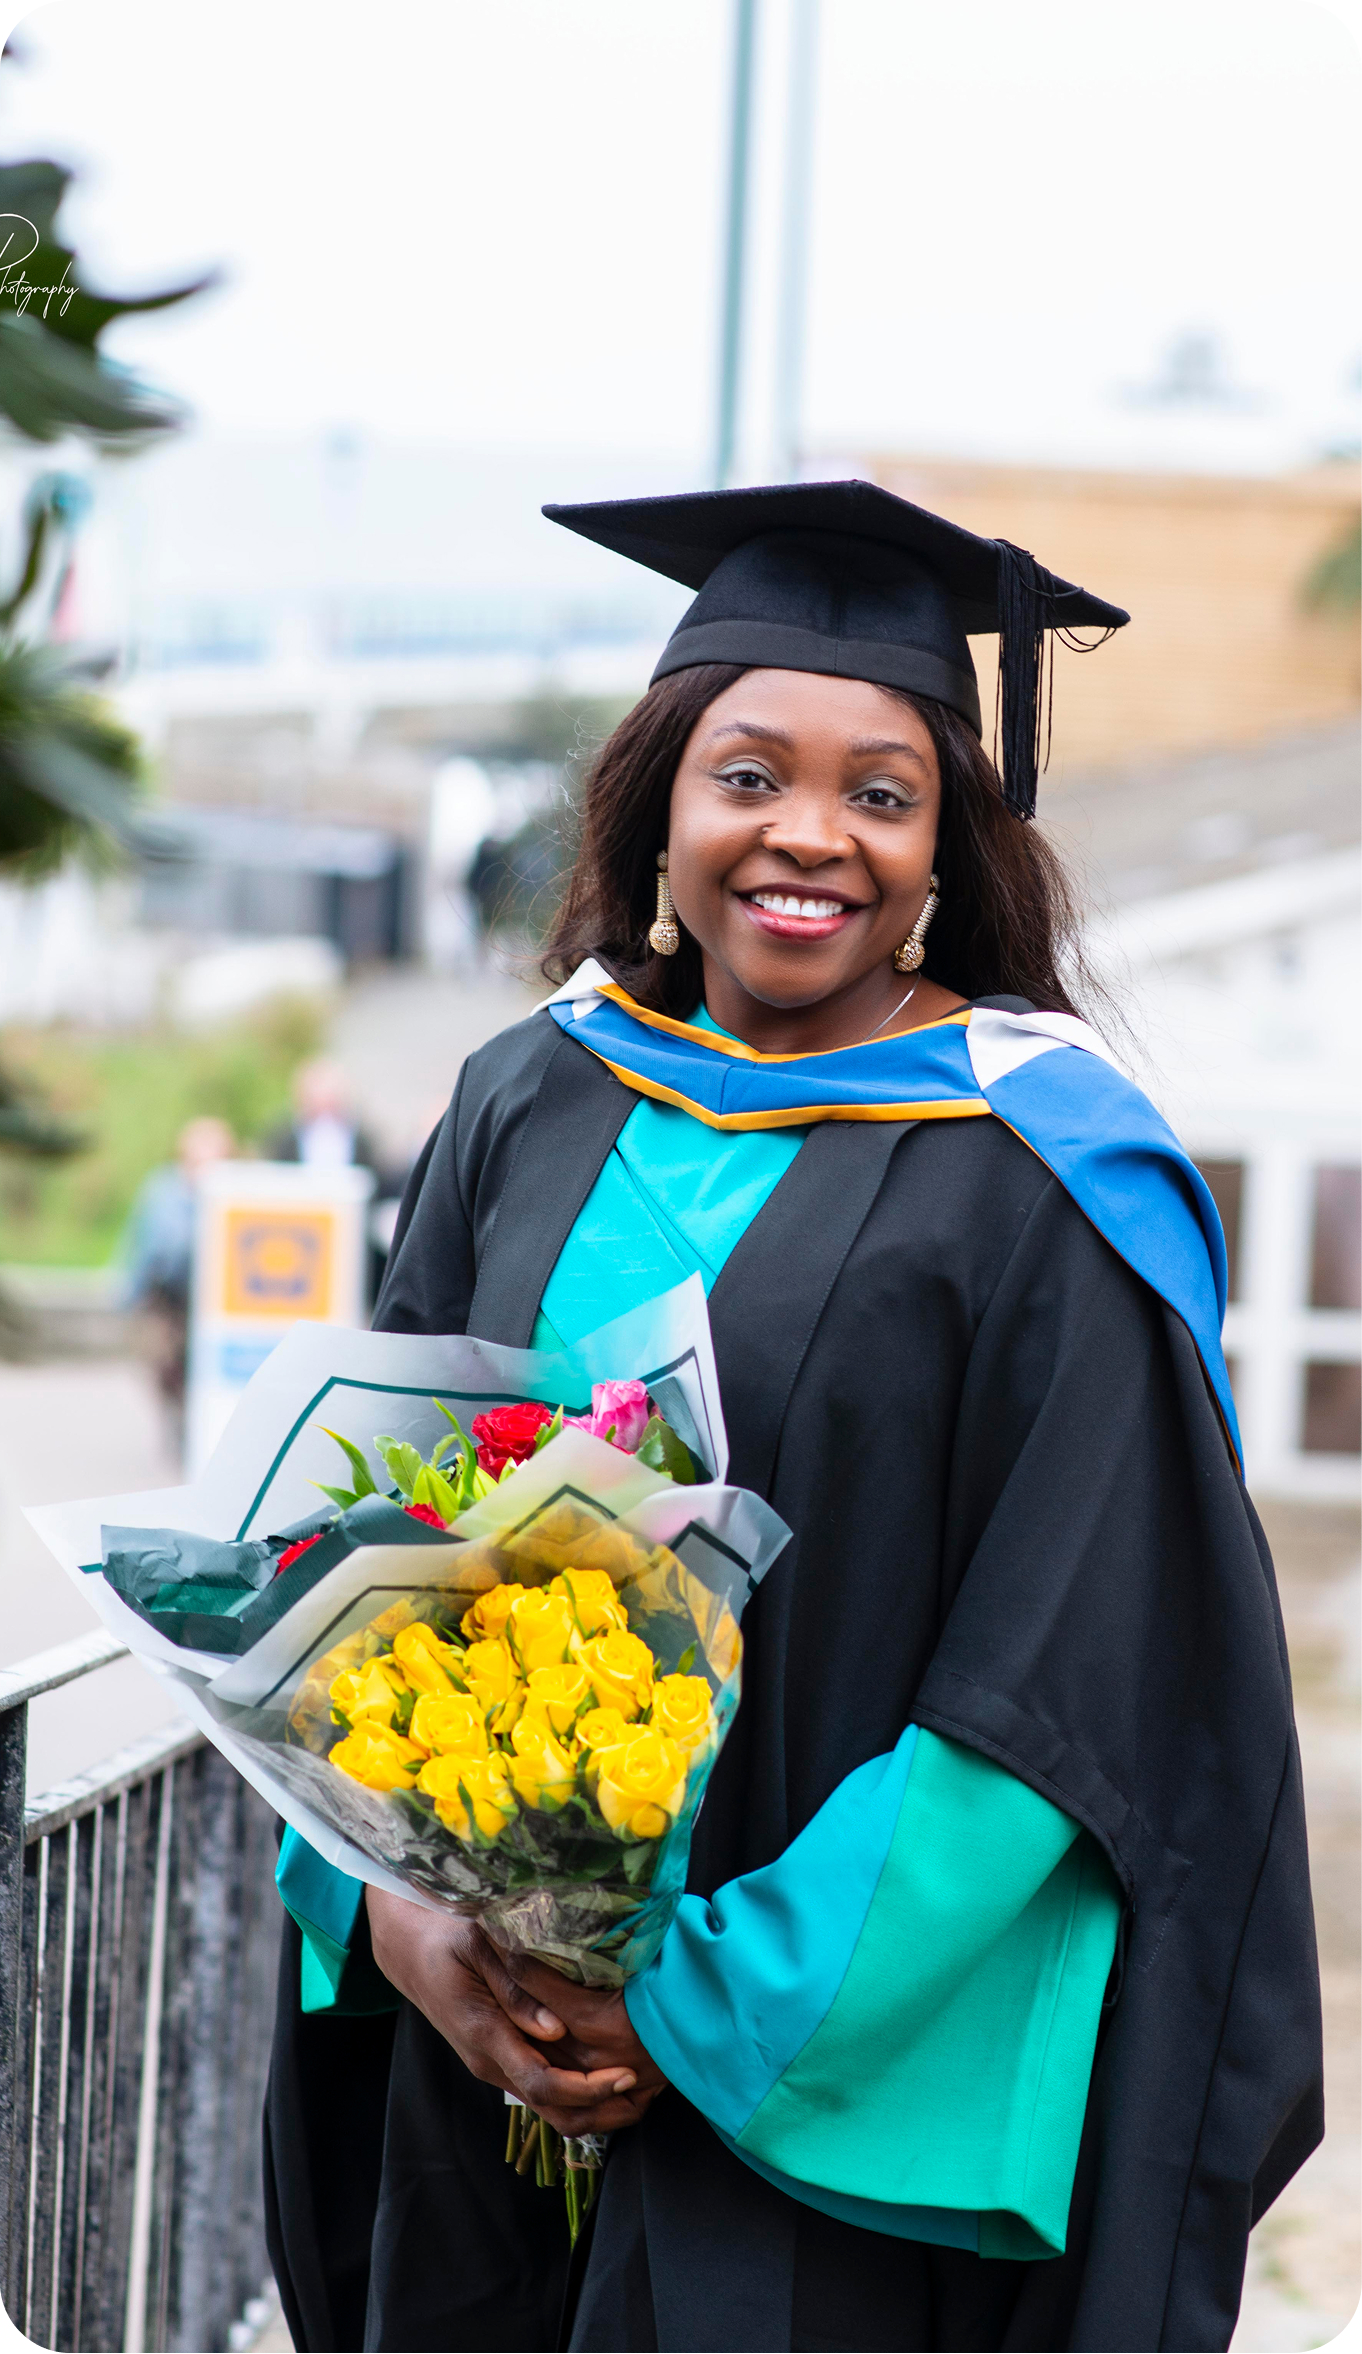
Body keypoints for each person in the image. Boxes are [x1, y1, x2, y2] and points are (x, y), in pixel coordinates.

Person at [262, 481, 1322, 2354]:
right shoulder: (530, 1095)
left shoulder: (1041, 1176)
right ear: (660, 802)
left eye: (881, 793)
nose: (805, 835)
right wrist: (408, 1924)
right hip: (477, 2073)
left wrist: (680, 1997)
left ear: (943, 854)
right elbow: (351, 1539)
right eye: (748, 773)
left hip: (814, 2131)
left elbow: (1058, 1693)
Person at [122, 1113, 234, 1445]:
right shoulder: (163, 1190)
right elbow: (143, 1244)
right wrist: (129, 1293)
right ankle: (178, 1420)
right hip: (170, 1298)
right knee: (163, 1363)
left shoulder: (237, 1193)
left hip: (217, 1301)